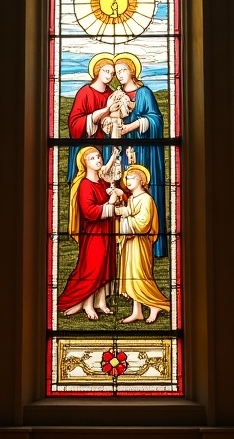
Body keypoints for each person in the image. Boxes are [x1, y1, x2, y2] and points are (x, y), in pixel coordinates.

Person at [57, 146, 125, 320]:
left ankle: (100, 301)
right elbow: (89, 212)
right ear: (84, 163)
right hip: (94, 232)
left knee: (105, 266)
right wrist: (110, 203)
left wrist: (115, 199)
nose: (98, 160)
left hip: (106, 230)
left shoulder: (101, 182)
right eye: (93, 158)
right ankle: (87, 304)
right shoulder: (85, 185)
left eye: (98, 157)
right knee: (93, 268)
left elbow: (108, 202)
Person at [113, 52, 168, 258]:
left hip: (145, 151)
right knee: (122, 187)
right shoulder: (117, 95)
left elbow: (156, 120)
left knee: (142, 186)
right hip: (123, 151)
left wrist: (133, 126)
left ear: (132, 71)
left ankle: (150, 242)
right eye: (117, 72)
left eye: (123, 70)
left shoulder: (144, 93)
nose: (120, 75)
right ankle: (122, 240)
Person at [115, 164, 170, 324]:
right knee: (131, 276)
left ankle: (154, 305)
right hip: (130, 244)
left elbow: (143, 223)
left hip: (140, 243)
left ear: (142, 180)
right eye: (126, 178)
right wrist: (122, 209)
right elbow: (129, 215)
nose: (128, 180)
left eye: (132, 177)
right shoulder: (132, 199)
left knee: (140, 276)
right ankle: (137, 311)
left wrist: (123, 214)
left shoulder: (146, 199)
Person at [66, 55, 127, 182]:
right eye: (106, 71)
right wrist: (105, 110)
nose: (109, 75)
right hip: (87, 147)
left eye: (112, 73)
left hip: (106, 146)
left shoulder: (111, 94)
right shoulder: (85, 92)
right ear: (97, 71)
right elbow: (74, 124)